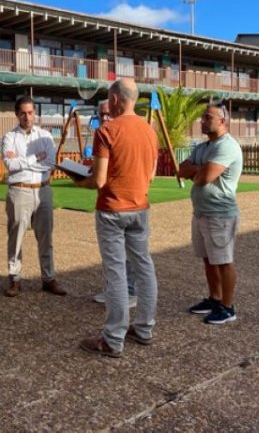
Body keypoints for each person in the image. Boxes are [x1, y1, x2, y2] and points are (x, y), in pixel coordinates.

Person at [75, 78, 158, 357]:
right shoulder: (149, 130)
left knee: (116, 273)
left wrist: (79, 180)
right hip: (140, 206)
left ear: (114, 100)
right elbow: (151, 174)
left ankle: (113, 338)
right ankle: (144, 327)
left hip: (112, 209)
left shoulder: (107, 130)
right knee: (144, 267)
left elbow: (98, 180)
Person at [178, 103, 243, 324]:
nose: (202, 121)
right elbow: (181, 169)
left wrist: (197, 170)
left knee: (224, 261)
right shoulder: (204, 147)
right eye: (203, 117)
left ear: (222, 121)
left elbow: (202, 178)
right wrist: (200, 168)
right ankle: (215, 298)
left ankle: (227, 307)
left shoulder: (226, 147)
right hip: (202, 213)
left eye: (207, 117)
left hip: (220, 214)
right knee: (208, 259)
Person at [1, 95, 66, 297]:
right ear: (17, 114)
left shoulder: (45, 136)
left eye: (30, 112)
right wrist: (35, 157)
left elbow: (50, 164)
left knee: (46, 236)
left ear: (34, 113)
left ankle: (48, 278)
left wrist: (22, 160)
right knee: (16, 236)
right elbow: (10, 165)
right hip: (19, 190)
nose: (27, 117)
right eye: (23, 113)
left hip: (43, 189)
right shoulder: (9, 137)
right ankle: (14, 278)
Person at [91, 99, 137, 309]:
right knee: (111, 253)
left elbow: (100, 178)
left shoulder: (119, 133)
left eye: (108, 113)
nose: (105, 117)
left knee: (125, 254)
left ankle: (129, 292)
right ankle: (114, 289)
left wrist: (83, 180)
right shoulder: (103, 134)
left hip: (121, 203)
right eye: (102, 114)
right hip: (110, 200)